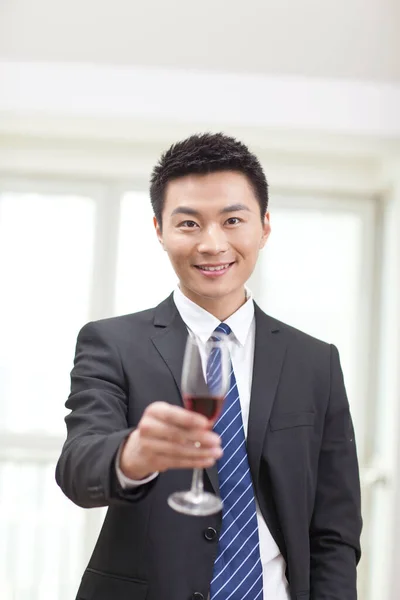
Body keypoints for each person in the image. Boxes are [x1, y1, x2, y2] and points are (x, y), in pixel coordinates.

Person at [56, 133, 362, 600]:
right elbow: (79, 468)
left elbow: (334, 528)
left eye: (232, 220)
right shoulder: (111, 343)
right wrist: (132, 455)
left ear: (264, 226)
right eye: (189, 224)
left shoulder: (316, 362)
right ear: (159, 229)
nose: (212, 244)